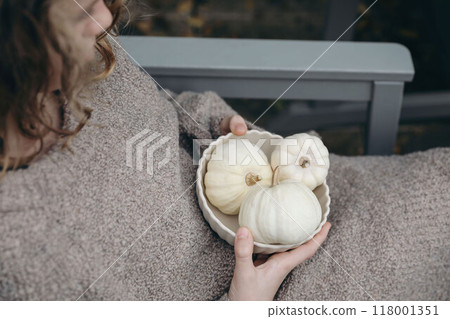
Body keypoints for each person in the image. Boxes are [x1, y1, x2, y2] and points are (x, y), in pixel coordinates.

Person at [0, 0, 330, 300]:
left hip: (308, 210)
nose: (103, 17)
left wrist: (213, 124)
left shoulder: (88, 51)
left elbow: (156, 110)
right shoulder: (17, 246)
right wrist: (242, 305)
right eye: (79, 11)